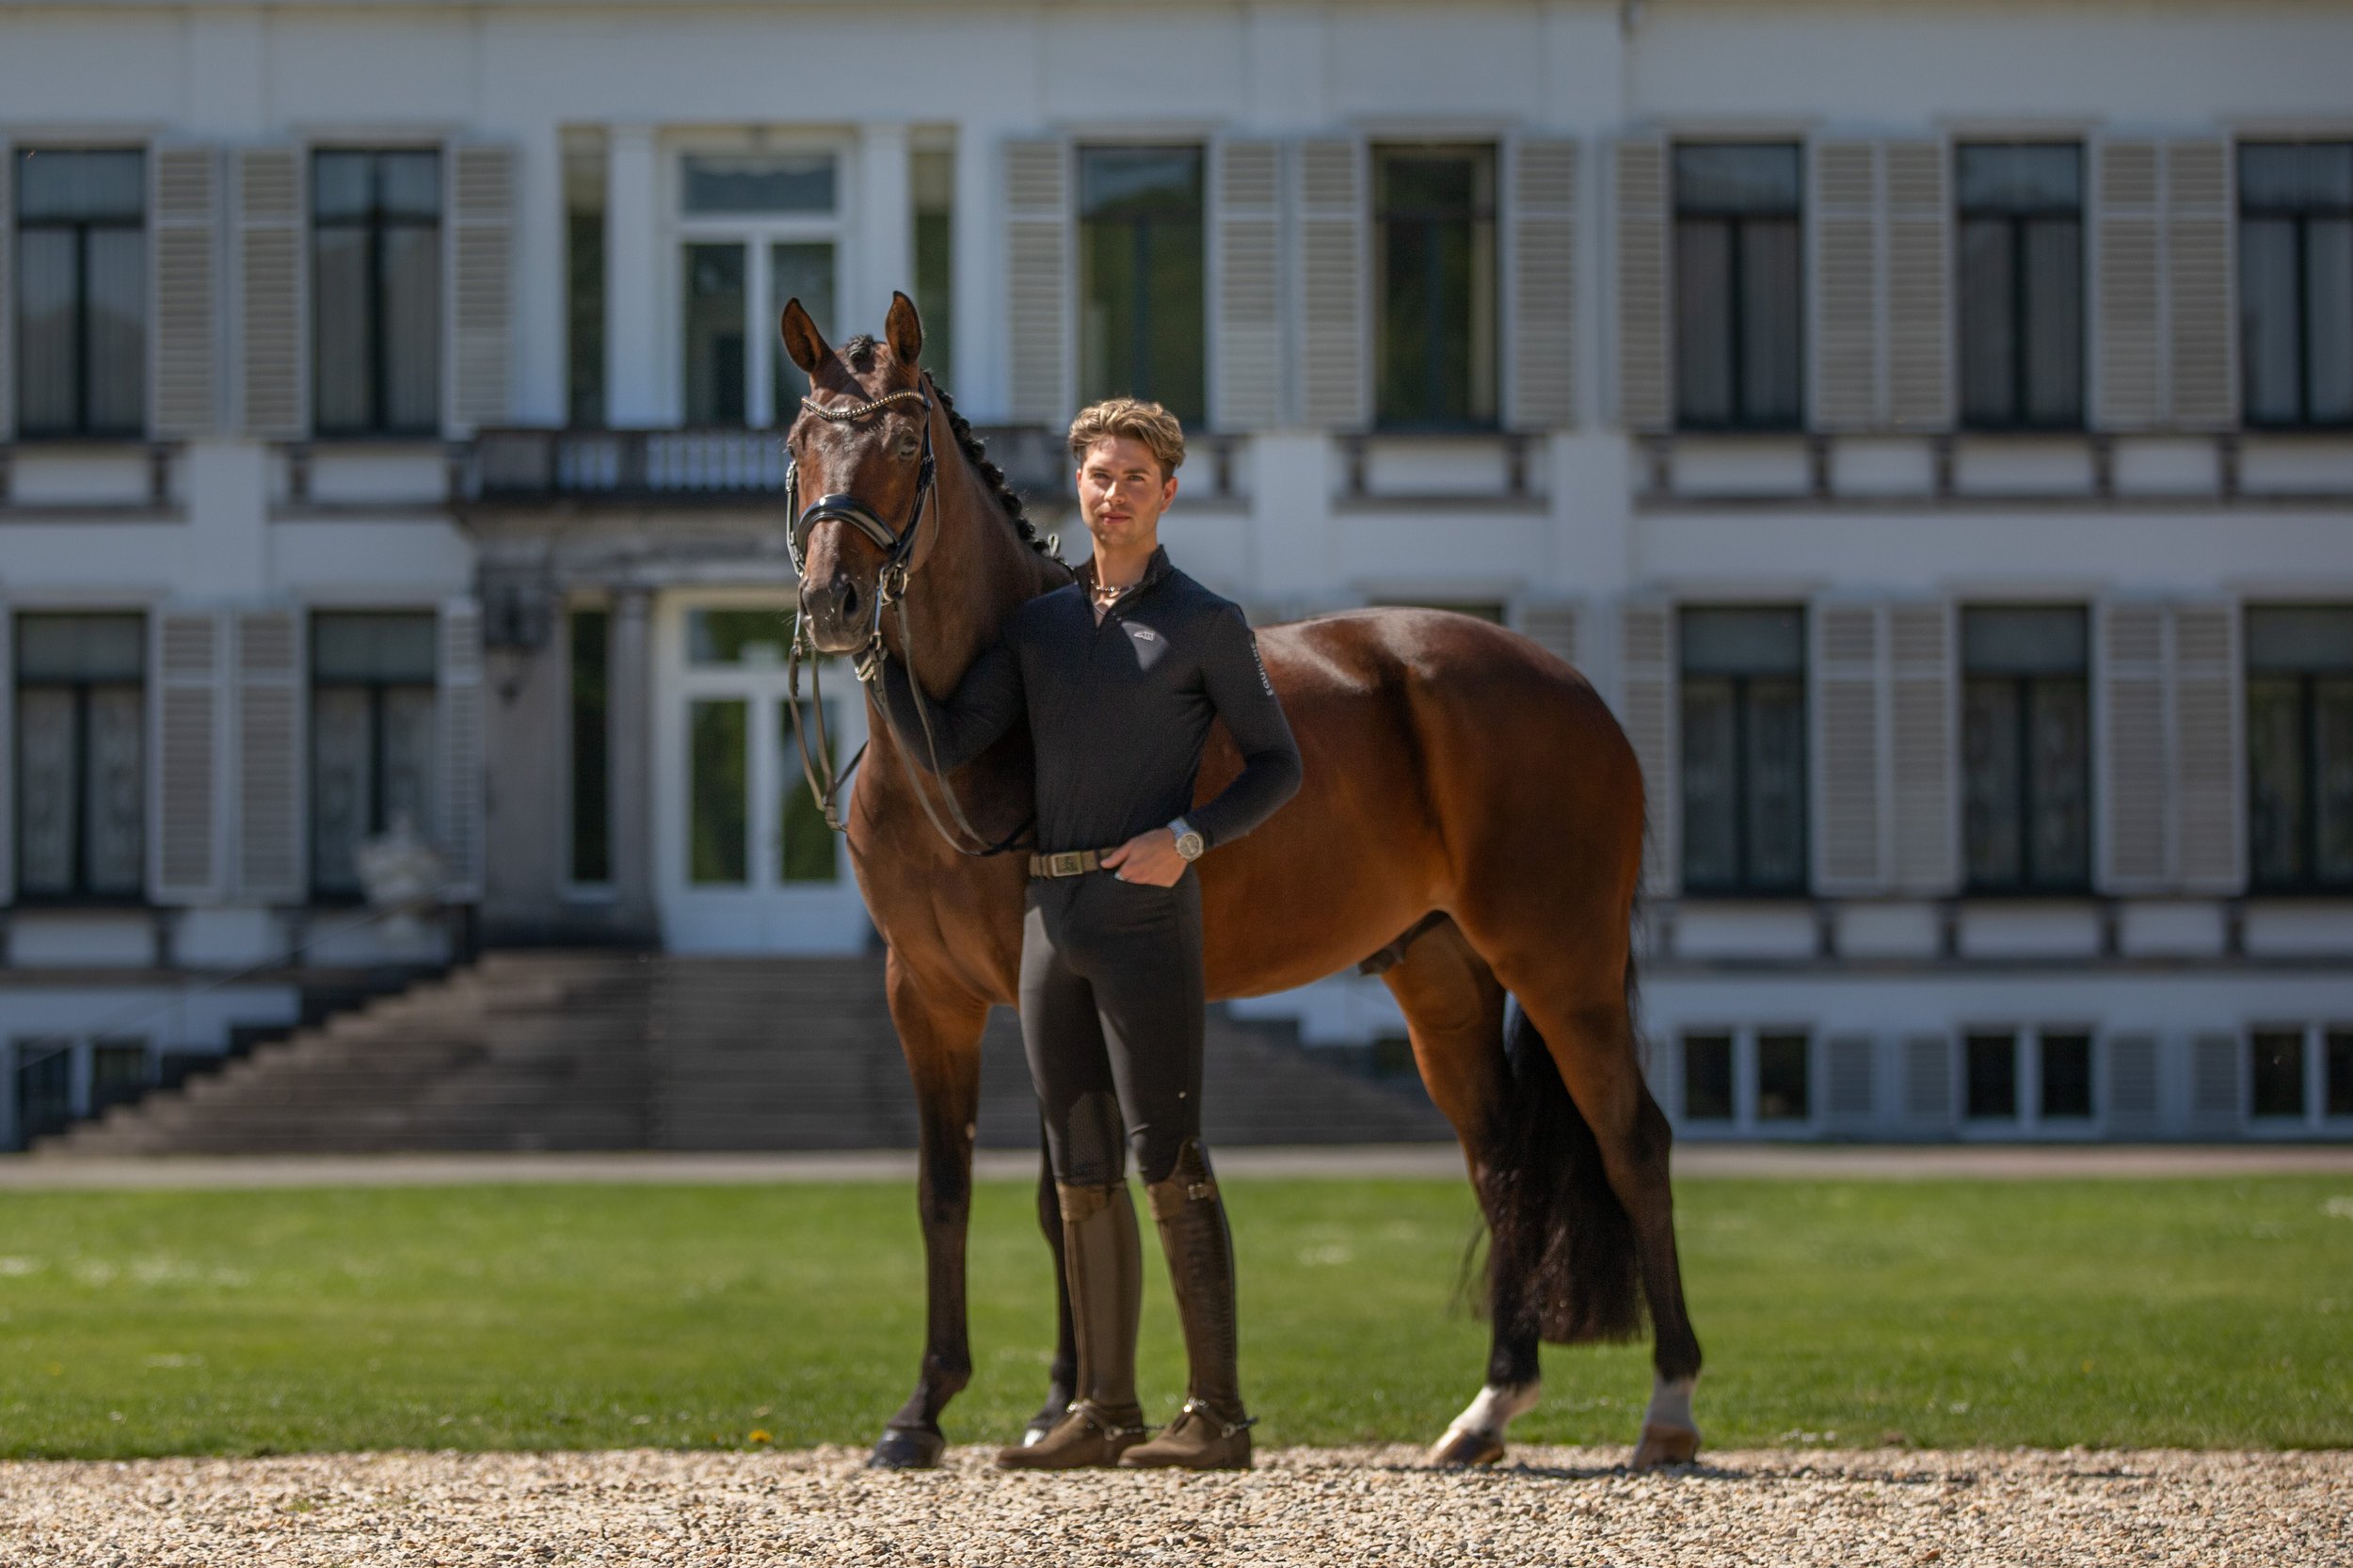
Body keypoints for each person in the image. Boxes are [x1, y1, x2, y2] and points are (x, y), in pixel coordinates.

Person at [876, 397, 1303, 1470]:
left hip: (1144, 915)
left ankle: (1218, 1417)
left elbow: (1278, 766)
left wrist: (1189, 840)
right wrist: (871, 638)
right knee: (1078, 1169)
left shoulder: (1205, 622)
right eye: (1095, 476)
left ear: (1166, 491)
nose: (1108, 495)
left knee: (1168, 1156)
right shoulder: (1041, 625)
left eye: (1130, 478)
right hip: (1045, 919)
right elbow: (951, 739)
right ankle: (1106, 1411)